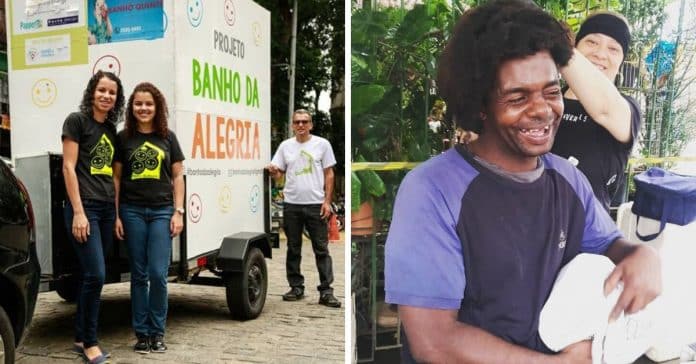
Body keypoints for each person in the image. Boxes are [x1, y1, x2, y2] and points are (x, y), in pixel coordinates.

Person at [384, 1, 661, 362]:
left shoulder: (567, 179)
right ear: (481, 104)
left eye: (551, 91)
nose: (542, 110)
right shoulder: (432, 191)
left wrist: (644, 255)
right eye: (518, 97)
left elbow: (611, 244)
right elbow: (435, 342)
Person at [113, 82, 185, 354]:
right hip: (132, 212)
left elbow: (178, 176)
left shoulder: (168, 137)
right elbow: (116, 179)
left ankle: (158, 332)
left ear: (157, 108)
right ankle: (141, 334)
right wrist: (118, 215)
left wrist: (178, 212)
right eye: (138, 104)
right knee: (139, 275)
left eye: (149, 104)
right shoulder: (123, 138)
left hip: (161, 211)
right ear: (132, 108)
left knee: (158, 274)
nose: (143, 108)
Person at [62, 70, 124, 364]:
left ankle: (79, 334)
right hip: (83, 207)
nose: (106, 96)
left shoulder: (111, 130)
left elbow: (113, 175)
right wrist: (78, 213)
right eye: (102, 90)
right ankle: (90, 342)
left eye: (112, 92)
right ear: (92, 91)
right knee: (96, 274)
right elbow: (68, 168)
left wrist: (115, 213)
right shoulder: (76, 121)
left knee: (94, 275)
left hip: (105, 210)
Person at [551, 12, 642, 212]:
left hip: (586, 234)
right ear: (577, 46)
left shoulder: (627, 110)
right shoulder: (547, 98)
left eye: (613, 49)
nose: (601, 54)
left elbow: (604, 110)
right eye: (592, 42)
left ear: (621, 62)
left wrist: (558, 46)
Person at [266, 109, 341, 308]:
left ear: (311, 125)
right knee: (293, 248)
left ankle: (326, 291)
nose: (301, 125)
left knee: (321, 249)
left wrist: (327, 201)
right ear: (292, 125)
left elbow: (329, 174)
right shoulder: (285, 147)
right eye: (297, 122)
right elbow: (279, 172)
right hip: (292, 204)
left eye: (304, 122)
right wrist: (273, 171)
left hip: (315, 204)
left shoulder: (322, 145)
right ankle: (296, 287)